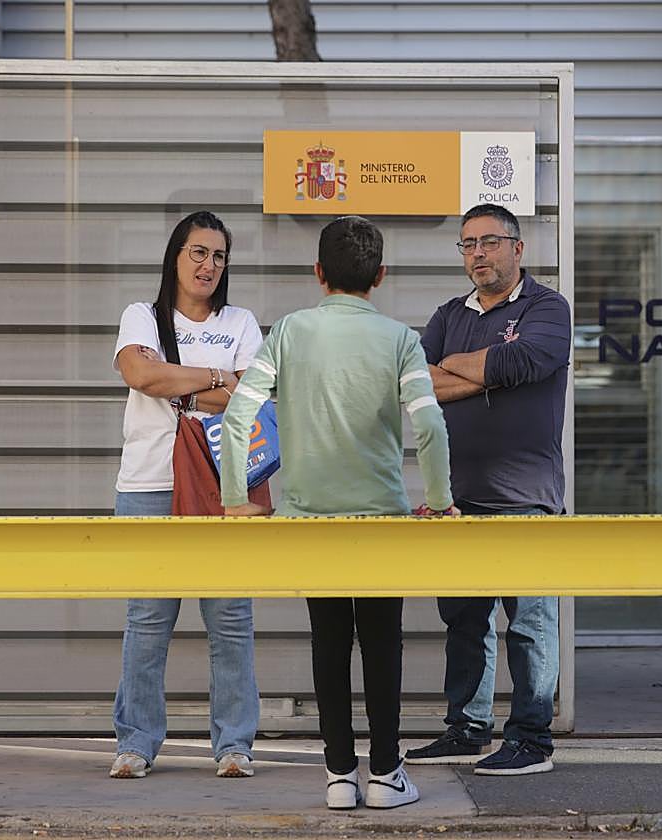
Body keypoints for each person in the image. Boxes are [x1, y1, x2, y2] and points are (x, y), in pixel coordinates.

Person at [219, 215, 458, 810]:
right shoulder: (400, 339)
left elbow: (237, 417)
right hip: (379, 519)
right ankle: (385, 774)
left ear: (318, 272)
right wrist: (442, 499)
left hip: (307, 520)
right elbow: (428, 423)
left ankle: (337, 776)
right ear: (380, 275)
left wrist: (233, 500)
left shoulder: (290, 333)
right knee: (382, 643)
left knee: (327, 641)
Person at [405, 203, 571, 776]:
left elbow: (527, 358)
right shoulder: (449, 313)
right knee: (464, 620)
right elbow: (416, 382)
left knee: (530, 623)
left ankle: (531, 738)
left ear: (517, 248)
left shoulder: (548, 308)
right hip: (458, 497)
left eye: (490, 242)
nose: (478, 253)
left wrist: (460, 368)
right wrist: (483, 370)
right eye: (468, 244)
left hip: (526, 496)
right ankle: (468, 728)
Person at [108, 210, 262, 780]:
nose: (208, 265)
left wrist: (182, 375)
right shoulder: (141, 316)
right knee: (148, 617)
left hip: (226, 486)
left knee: (230, 618)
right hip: (148, 482)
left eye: (219, 256)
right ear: (176, 256)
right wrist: (219, 377)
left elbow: (252, 401)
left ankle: (234, 745)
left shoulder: (242, 321)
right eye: (198, 252)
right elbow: (142, 379)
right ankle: (136, 742)